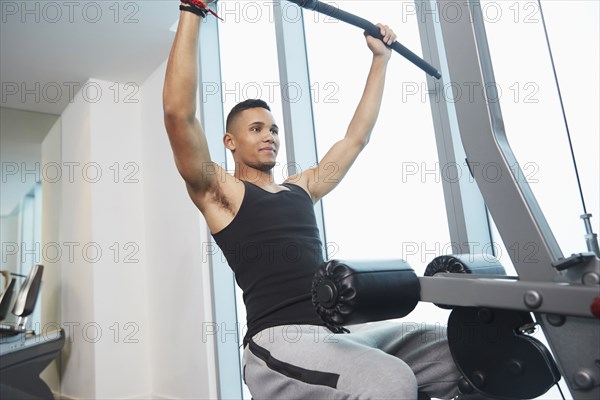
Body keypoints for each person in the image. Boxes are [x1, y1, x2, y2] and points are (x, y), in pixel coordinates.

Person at [163, 1, 461, 398]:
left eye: (273, 128)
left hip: (341, 329)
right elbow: (177, 113)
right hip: (280, 339)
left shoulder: (302, 187)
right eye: (256, 129)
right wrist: (192, 8)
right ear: (230, 143)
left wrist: (380, 60)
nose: (269, 135)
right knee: (388, 379)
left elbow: (356, 138)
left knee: (461, 351)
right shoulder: (223, 194)